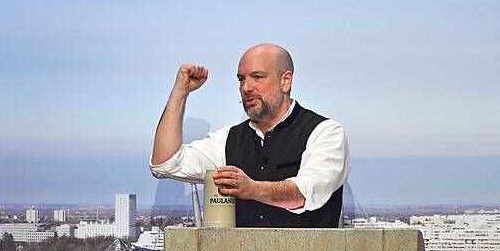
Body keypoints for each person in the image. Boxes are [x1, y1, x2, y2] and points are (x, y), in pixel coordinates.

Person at [150, 44, 350, 227]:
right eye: (241, 79)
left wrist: (253, 189)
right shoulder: (228, 139)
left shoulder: (325, 132)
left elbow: (307, 192)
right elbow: (166, 163)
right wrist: (180, 91)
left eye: (258, 77)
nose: (246, 88)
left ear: (285, 81)